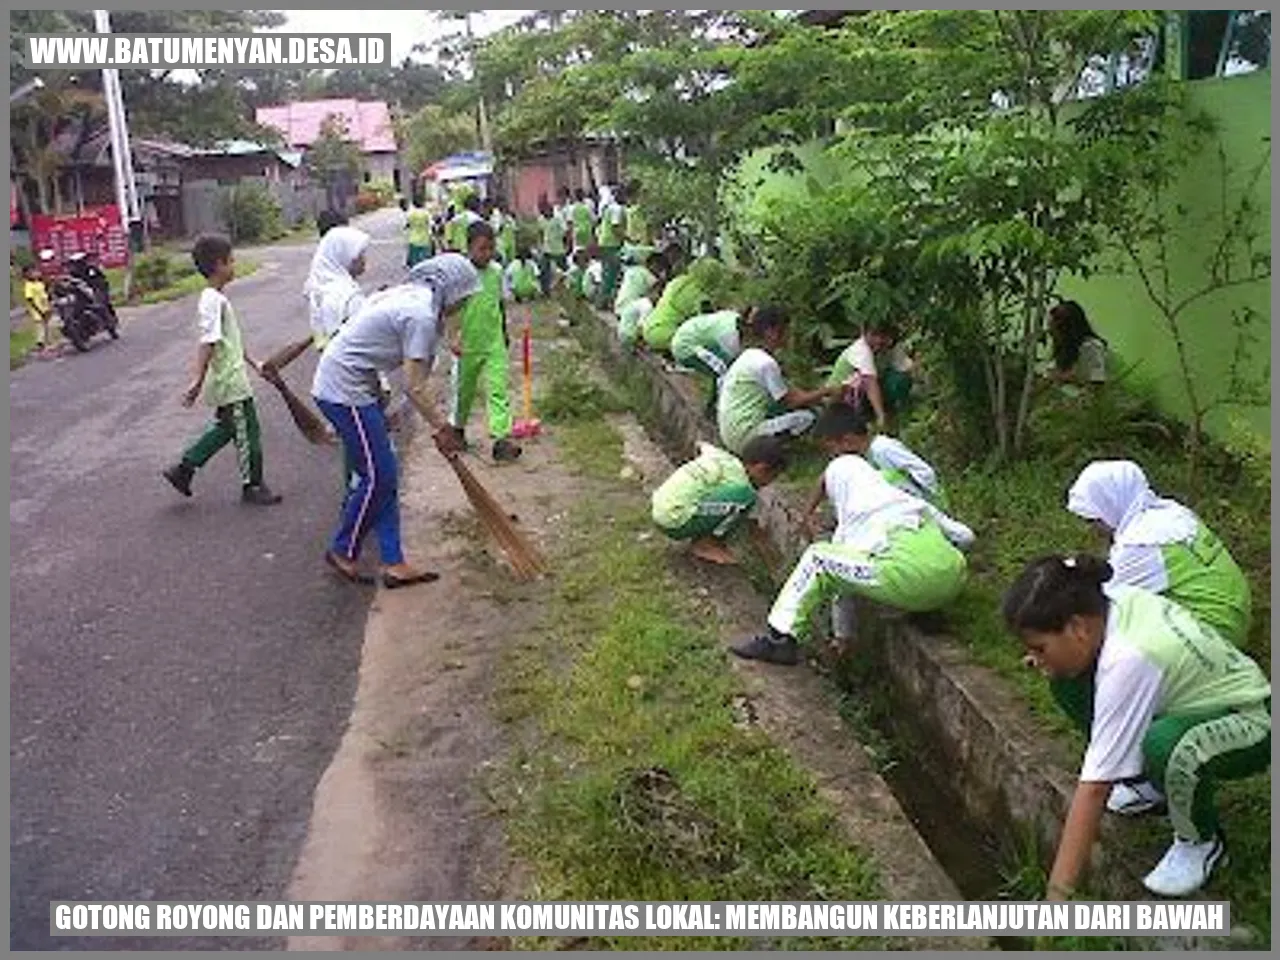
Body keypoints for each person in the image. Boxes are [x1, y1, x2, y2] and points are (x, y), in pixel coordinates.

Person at [1002, 554, 1270, 899]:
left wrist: (1057, 898)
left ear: (1077, 628)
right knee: (1066, 678)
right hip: (1187, 707)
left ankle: (1200, 842)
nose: (1035, 658)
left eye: (1040, 647)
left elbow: (1094, 790)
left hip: (1251, 720)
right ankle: (1148, 783)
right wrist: (1048, 659)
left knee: (1166, 746)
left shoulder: (1129, 657)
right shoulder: (1108, 602)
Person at [1062, 459, 1254, 818]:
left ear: (1112, 502)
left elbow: (1102, 607)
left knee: (1098, 662)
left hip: (1208, 631)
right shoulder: (1169, 515)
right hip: (1230, 619)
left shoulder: (1140, 544)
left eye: (1095, 516)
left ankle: (1136, 773)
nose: (1094, 526)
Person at [733, 412, 973, 666]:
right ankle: (927, 605)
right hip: (953, 578)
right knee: (911, 566)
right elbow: (966, 536)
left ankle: (780, 639)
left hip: (908, 581)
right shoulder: (911, 502)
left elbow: (839, 585)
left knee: (818, 557)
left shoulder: (853, 522)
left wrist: (843, 635)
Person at [311, 253, 477, 588]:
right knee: (378, 477)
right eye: (465, 299)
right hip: (344, 391)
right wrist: (442, 427)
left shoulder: (414, 298)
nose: (463, 306)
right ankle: (343, 549)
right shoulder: (420, 316)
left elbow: (409, 382)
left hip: (359, 388)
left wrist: (393, 412)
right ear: (454, 292)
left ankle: (394, 562)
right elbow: (415, 387)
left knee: (383, 476)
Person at [163, 234, 282, 506]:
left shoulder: (216, 299)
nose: (235, 265)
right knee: (247, 433)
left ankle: (184, 469)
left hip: (232, 377)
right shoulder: (212, 301)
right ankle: (252, 485)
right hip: (231, 382)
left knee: (229, 428)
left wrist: (255, 363)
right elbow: (209, 342)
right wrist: (197, 380)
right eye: (231, 260)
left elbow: (230, 342)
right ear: (219, 265)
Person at [715, 305, 841, 456]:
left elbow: (790, 390)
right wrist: (827, 391)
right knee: (807, 418)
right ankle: (770, 453)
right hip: (744, 436)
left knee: (791, 408)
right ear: (772, 332)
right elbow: (791, 401)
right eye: (786, 330)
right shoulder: (766, 363)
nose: (789, 336)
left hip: (730, 433)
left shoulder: (748, 356)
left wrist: (818, 398)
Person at [652, 436, 788, 566]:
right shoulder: (742, 485)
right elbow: (743, 509)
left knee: (733, 498)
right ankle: (706, 544)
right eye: (772, 477)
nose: (769, 483)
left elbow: (700, 444)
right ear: (761, 469)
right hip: (675, 520)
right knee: (746, 498)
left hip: (660, 506)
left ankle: (706, 539)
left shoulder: (720, 455)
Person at [450, 222, 523, 464]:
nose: (487, 254)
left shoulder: (496, 271)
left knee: (498, 389)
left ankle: (501, 439)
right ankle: (457, 429)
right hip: (467, 344)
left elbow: (499, 303)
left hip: (493, 342)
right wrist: (453, 336)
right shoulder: (459, 274)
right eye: (482, 249)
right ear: (469, 247)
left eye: (490, 248)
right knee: (464, 392)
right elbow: (449, 310)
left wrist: (503, 332)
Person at [828, 405, 950, 510]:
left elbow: (924, 471)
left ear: (848, 440)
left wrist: (934, 503)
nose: (833, 454)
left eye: (833, 448)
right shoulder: (868, 456)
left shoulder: (883, 448)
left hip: (920, 505)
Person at [827, 319, 912, 431]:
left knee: (900, 379)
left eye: (883, 335)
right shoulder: (860, 350)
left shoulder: (893, 348)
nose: (878, 340)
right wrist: (880, 416)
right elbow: (870, 383)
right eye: (874, 334)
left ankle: (895, 411)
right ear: (864, 333)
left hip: (869, 391)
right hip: (845, 395)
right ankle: (866, 416)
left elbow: (905, 369)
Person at [639, 257, 725, 353]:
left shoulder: (678, 281)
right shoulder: (701, 298)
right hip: (666, 333)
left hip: (649, 324)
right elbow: (706, 326)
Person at [670, 307, 744, 387]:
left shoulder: (733, 316)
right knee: (725, 372)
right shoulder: (730, 337)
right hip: (686, 347)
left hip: (692, 335)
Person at [1048, 300, 1107, 385]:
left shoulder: (1092, 348)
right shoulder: (1063, 349)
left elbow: (1097, 384)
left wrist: (1068, 379)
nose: (1051, 335)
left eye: (1053, 331)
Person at [595, 185, 626, 304]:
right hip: (611, 244)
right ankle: (603, 301)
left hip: (604, 242)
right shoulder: (617, 209)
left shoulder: (609, 207)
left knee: (606, 272)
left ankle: (602, 300)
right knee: (611, 274)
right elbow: (615, 228)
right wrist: (628, 239)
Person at [614, 250, 663, 315]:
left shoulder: (633, 270)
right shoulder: (650, 277)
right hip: (630, 311)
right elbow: (659, 289)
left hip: (619, 307)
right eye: (660, 268)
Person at [537, 195, 568, 295]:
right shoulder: (541, 219)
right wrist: (540, 245)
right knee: (543, 270)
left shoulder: (558, 218)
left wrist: (567, 245)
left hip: (559, 249)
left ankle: (565, 288)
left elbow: (566, 232)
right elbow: (540, 232)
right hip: (546, 249)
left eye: (547, 210)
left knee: (563, 271)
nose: (545, 212)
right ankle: (545, 291)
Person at [22, 263, 53, 353]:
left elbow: (45, 293)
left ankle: (47, 344)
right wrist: (39, 311)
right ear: (27, 275)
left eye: (35, 272)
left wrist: (49, 305)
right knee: (40, 327)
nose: (35, 273)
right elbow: (30, 299)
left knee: (47, 326)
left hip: (45, 307)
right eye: (32, 272)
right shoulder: (28, 285)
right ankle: (40, 345)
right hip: (38, 310)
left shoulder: (39, 283)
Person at [405, 199, 433, 268]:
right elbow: (431, 224)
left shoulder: (411, 214)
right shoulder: (426, 213)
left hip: (413, 238)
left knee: (414, 258)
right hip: (424, 238)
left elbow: (408, 224)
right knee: (424, 257)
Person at [571, 188, 595, 254]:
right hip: (586, 230)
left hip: (576, 230)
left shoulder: (572, 208)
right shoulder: (587, 207)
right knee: (587, 249)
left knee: (576, 248)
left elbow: (570, 220)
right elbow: (593, 219)